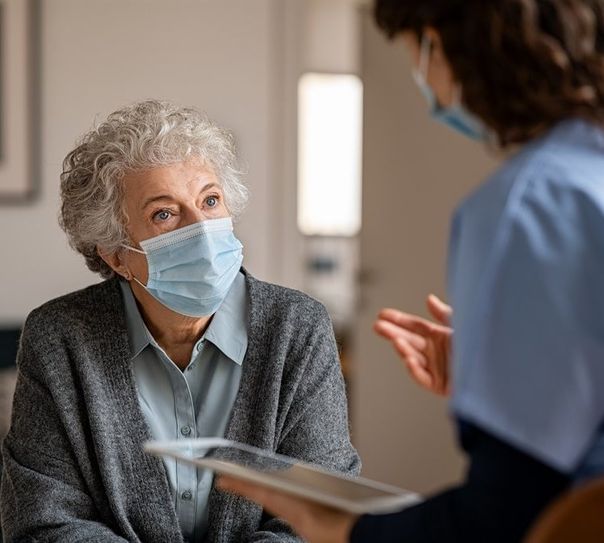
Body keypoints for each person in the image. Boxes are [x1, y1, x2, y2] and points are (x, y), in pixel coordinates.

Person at [218, 1, 604, 541]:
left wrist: (343, 529)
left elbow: (504, 517)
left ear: (440, 45)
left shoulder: (533, 201)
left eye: (417, 63)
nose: (428, 95)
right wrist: (501, 375)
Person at [0, 100, 360, 542]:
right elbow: (44, 523)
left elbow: (319, 514)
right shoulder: (59, 339)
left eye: (210, 200)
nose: (202, 230)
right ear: (116, 255)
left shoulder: (297, 329)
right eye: (165, 214)